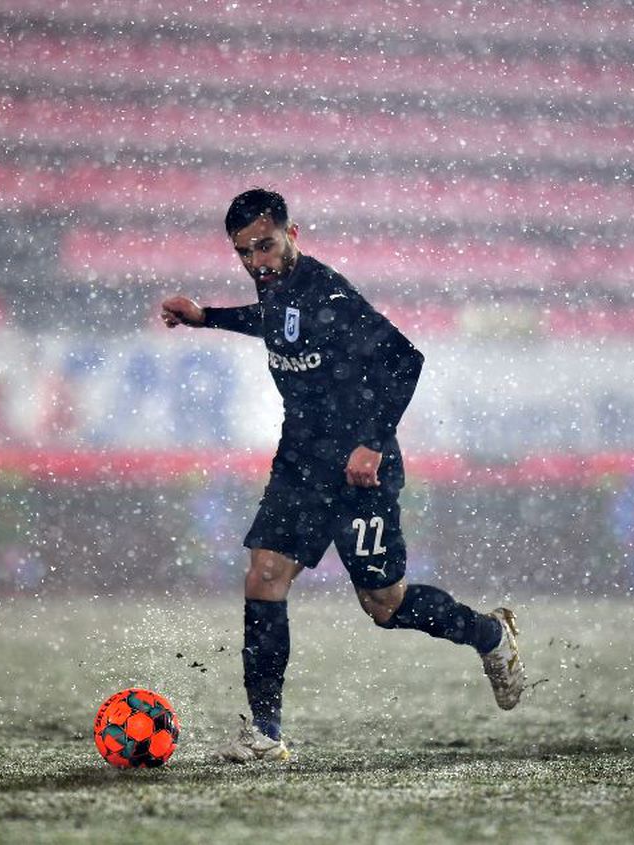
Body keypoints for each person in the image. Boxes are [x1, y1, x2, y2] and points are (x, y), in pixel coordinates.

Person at [161, 189, 525, 761]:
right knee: (264, 574)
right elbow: (275, 324)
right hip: (301, 462)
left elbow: (407, 360)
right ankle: (265, 733)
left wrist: (372, 444)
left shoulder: (329, 292)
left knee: (384, 604)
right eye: (245, 252)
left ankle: (490, 636)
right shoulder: (275, 287)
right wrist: (208, 318)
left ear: (293, 234)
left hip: (359, 469)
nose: (257, 261)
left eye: (266, 245)